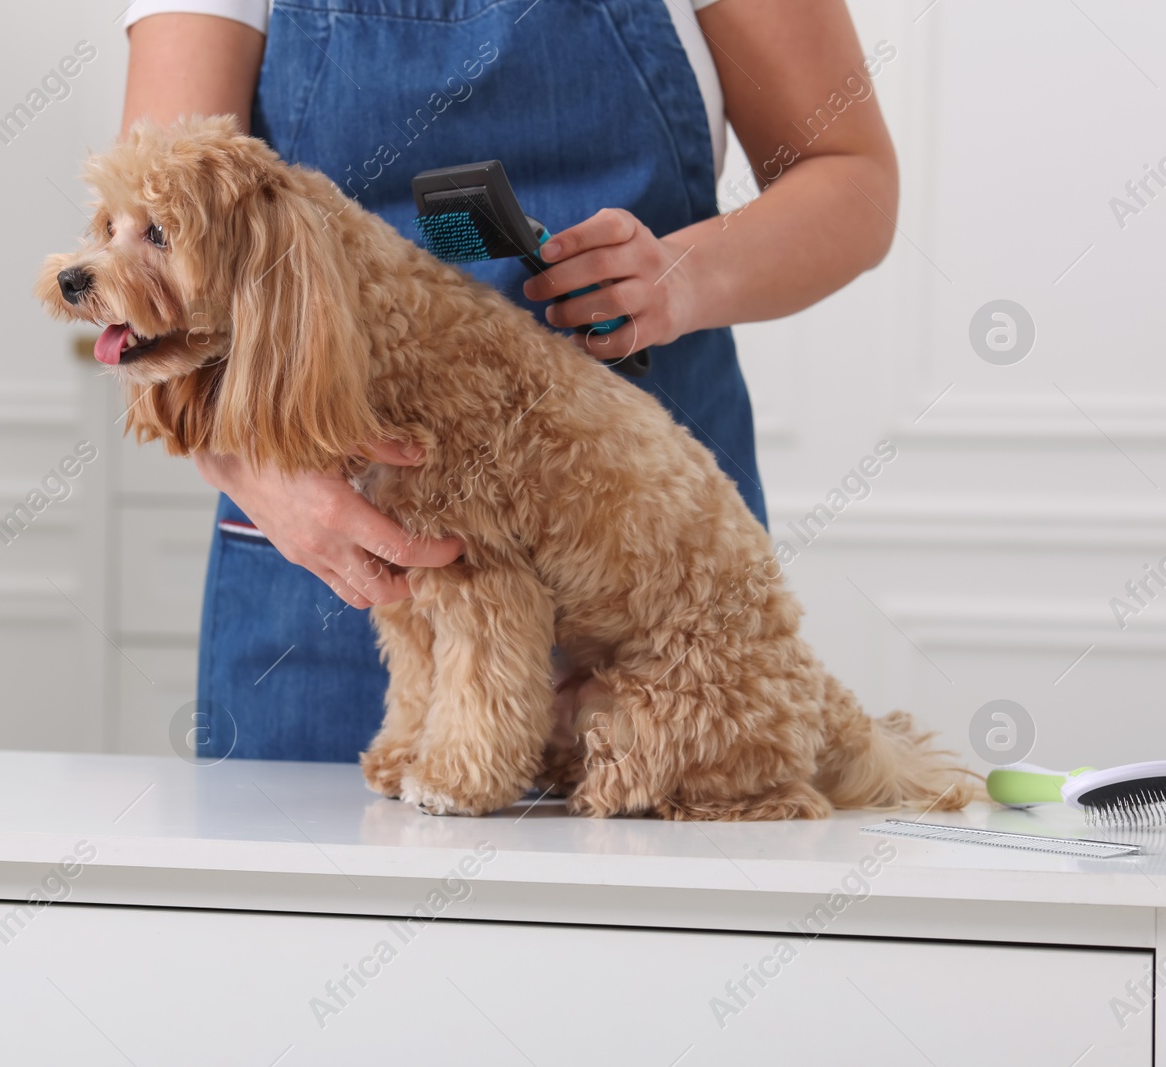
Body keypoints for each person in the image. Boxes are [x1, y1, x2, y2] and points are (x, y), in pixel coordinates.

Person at [119, 0, 898, 762]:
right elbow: (146, 251)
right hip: (328, 551)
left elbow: (852, 177)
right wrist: (263, 474)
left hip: (640, 552)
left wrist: (682, 278)